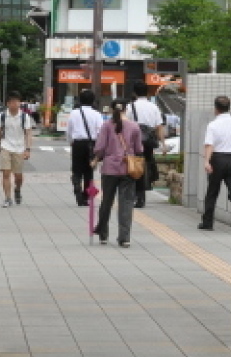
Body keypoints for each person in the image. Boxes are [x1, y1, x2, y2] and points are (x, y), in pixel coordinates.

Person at [93, 100, 143, 247]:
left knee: (106, 201)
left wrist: (97, 157)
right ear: (126, 110)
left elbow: (100, 147)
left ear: (111, 109)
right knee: (126, 203)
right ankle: (124, 238)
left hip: (109, 169)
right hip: (128, 168)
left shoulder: (107, 125)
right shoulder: (134, 126)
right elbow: (139, 149)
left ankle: (103, 235)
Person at [199, 96, 231, 230]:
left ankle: (207, 223)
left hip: (217, 159)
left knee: (212, 191)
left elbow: (209, 145)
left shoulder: (213, 125)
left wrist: (206, 162)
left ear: (216, 109)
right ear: (229, 107)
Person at [0, 91, 33, 208]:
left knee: (18, 176)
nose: (14, 104)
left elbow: (28, 134)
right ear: (8, 103)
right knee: (6, 173)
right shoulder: (2, 116)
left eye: (17, 101)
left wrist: (28, 149)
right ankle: (7, 198)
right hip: (5, 146)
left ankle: (17, 189)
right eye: (12, 102)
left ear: (20, 103)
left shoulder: (25, 117)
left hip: (19, 148)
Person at [129, 80, 166, 208]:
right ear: (148, 92)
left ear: (134, 92)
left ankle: (138, 195)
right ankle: (143, 192)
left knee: (135, 167)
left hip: (134, 141)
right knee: (147, 165)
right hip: (149, 141)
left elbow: (125, 126)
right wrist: (163, 144)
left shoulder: (130, 107)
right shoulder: (153, 107)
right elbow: (159, 126)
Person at [67, 89, 103, 207]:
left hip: (77, 143)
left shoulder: (74, 113)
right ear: (93, 101)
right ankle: (85, 196)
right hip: (91, 144)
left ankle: (77, 184)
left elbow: (69, 130)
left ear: (80, 100)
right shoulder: (97, 114)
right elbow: (100, 132)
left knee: (77, 169)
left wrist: (70, 142)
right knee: (89, 171)